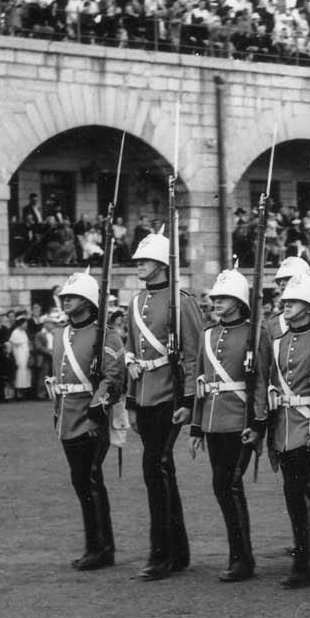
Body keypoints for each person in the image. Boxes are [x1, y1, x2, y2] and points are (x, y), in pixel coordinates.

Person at [124, 232, 203, 581]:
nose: (139, 265)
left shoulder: (181, 301)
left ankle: (162, 554)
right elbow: (130, 353)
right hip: (144, 396)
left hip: (169, 398)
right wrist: (130, 400)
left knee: (155, 469)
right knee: (159, 472)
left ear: (161, 264)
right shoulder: (136, 302)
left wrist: (188, 401)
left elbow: (194, 354)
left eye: (145, 260)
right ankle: (176, 551)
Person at [249, 273, 310, 588]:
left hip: (308, 426)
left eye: (295, 301)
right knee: (300, 494)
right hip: (283, 426)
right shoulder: (278, 342)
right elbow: (265, 382)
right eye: (286, 300)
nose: (287, 305)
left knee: (299, 494)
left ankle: (305, 564)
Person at [46, 274, 123, 571]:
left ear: (89, 301)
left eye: (73, 296)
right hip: (66, 415)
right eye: (64, 296)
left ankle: (102, 549)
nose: (66, 300)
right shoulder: (61, 333)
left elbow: (113, 377)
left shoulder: (105, 334)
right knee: (82, 483)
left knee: (90, 482)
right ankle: (95, 545)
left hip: (91, 417)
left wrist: (97, 410)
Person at [190, 269, 258, 583]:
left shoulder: (253, 334)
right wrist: (196, 427)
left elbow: (262, 380)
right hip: (214, 421)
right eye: (215, 297)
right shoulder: (207, 334)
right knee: (222, 487)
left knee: (229, 485)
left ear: (240, 301)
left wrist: (257, 422)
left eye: (223, 297)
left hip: (240, 420)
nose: (216, 302)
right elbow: (201, 382)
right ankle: (238, 554)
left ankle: (243, 559)